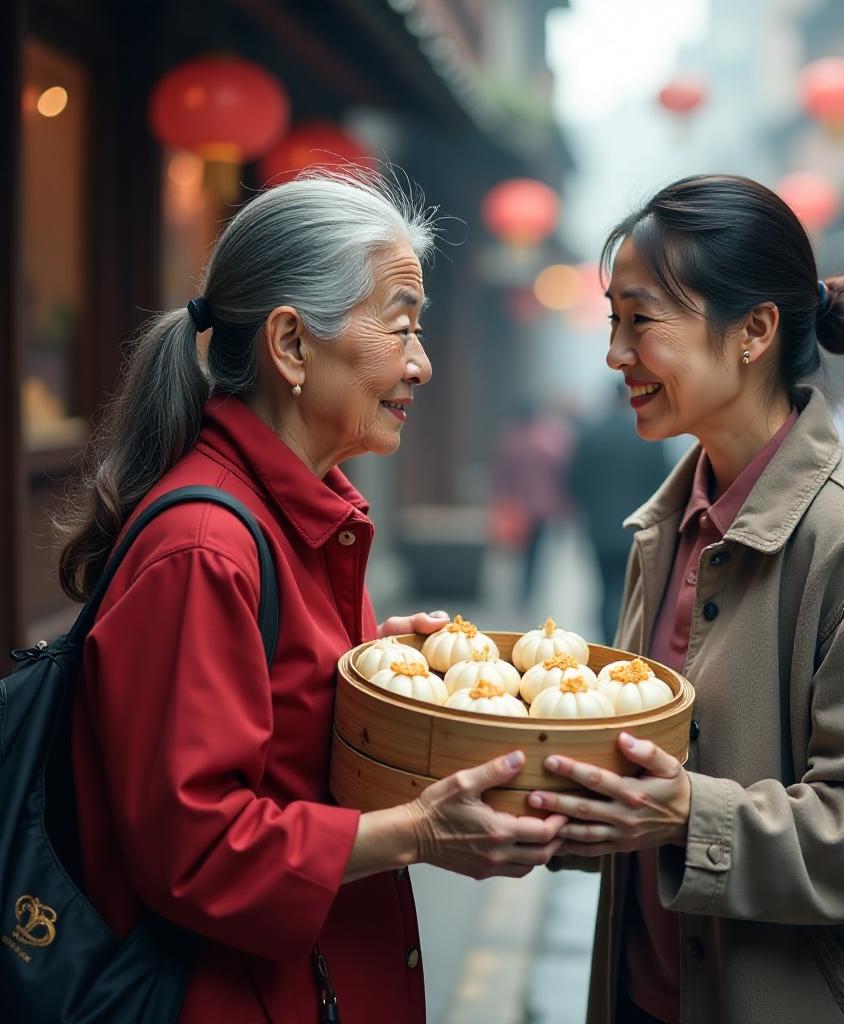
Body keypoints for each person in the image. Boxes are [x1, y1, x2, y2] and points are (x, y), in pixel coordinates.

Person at [57, 173, 564, 1024]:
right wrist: (421, 831)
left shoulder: (301, 514)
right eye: (401, 326)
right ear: (292, 346)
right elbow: (197, 849)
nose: (421, 363)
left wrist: (369, 684)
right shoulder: (205, 550)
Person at [528, 175, 844, 1023]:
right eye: (611, 322)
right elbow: (644, 778)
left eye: (642, 320)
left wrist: (684, 811)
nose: (616, 355)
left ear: (755, 331)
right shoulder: (667, 529)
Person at [569, 386, 672, 642]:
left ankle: (608, 641)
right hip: (637, 526)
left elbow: (574, 480)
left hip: (599, 528)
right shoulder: (649, 436)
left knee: (605, 589)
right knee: (632, 589)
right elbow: (664, 481)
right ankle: (627, 639)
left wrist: (590, 506)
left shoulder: (591, 434)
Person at [492, 400, 575, 603]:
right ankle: (530, 588)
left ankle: (524, 589)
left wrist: (501, 499)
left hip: (520, 506)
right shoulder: (549, 440)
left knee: (523, 551)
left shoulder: (511, 440)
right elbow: (561, 473)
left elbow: (503, 475)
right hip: (544, 506)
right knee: (536, 550)